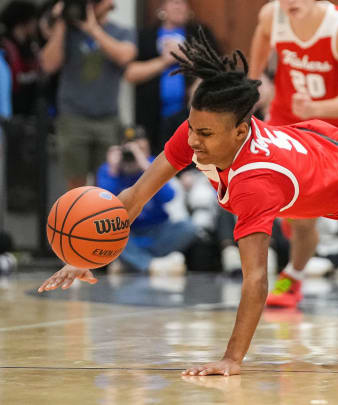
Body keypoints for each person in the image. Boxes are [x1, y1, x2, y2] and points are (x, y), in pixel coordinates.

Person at [37, 33, 338, 376]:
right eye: (192, 128)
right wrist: (86, 254)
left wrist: (232, 358)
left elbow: (254, 281)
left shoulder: (255, 185)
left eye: (206, 135)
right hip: (313, 139)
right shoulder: (198, 133)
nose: (193, 142)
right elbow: (131, 198)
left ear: (242, 130)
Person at [248, 0, 338, 308]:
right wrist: (252, 79)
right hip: (284, 120)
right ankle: (275, 258)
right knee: (255, 187)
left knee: (303, 220)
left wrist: (316, 109)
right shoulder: (272, 15)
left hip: (327, 128)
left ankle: (293, 277)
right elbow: (262, 36)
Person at [39, 0, 137, 190]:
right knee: (75, 185)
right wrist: (60, 22)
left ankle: (101, 220)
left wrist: (93, 29)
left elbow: (126, 55)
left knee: (108, 183)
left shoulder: (121, 31)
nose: (90, 6)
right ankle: (77, 220)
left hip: (107, 119)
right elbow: (48, 65)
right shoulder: (68, 32)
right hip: (73, 117)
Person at [125, 0, 219, 155]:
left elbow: (216, 68)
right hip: (152, 117)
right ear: (162, 8)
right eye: (174, 2)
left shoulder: (200, 33)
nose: (179, 6)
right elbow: (130, 73)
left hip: (191, 116)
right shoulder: (146, 36)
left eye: (183, 3)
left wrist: (182, 54)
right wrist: (164, 61)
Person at [96, 132, 196, 275]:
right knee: (106, 235)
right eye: (130, 152)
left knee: (188, 227)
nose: (134, 156)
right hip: (127, 233)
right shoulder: (110, 170)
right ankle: (150, 264)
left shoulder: (151, 164)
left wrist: (146, 167)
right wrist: (113, 171)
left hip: (157, 230)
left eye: (141, 150)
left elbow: (169, 196)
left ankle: (132, 262)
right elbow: (104, 208)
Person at [0, 1, 40, 116]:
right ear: (23, 22)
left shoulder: (31, 45)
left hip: (29, 108)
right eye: (33, 20)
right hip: (11, 108)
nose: (35, 24)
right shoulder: (5, 46)